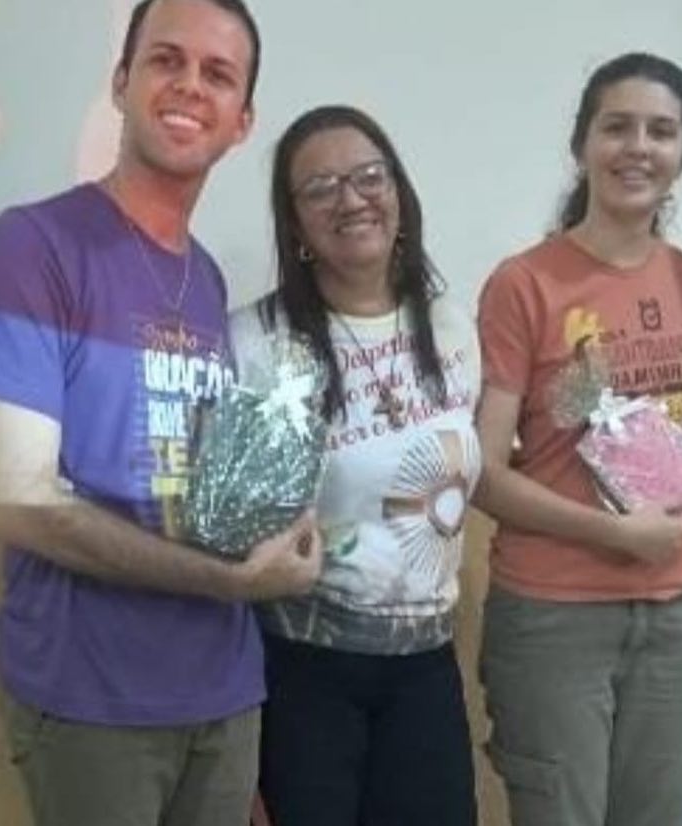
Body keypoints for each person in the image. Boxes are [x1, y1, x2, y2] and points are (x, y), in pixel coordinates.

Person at [0, 2, 322, 825]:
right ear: (121, 82)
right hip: (91, 697)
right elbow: (21, 504)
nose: (189, 85)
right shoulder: (29, 246)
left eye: (218, 74)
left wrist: (282, 524)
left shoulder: (208, 279)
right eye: (166, 60)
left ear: (242, 120)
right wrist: (231, 581)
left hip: (224, 691)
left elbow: (202, 489)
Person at [474, 52, 682, 826]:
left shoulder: (679, 272)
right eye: (617, 127)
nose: (638, 147)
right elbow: (483, 473)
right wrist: (613, 532)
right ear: (581, 144)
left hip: (678, 609)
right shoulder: (523, 282)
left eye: (661, 131)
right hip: (556, 612)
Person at [230, 104, 481, 826]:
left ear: (399, 192)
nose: (351, 199)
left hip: (427, 661)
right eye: (320, 188)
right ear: (294, 224)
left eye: (370, 176)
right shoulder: (257, 340)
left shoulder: (449, 324)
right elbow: (239, 527)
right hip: (306, 668)